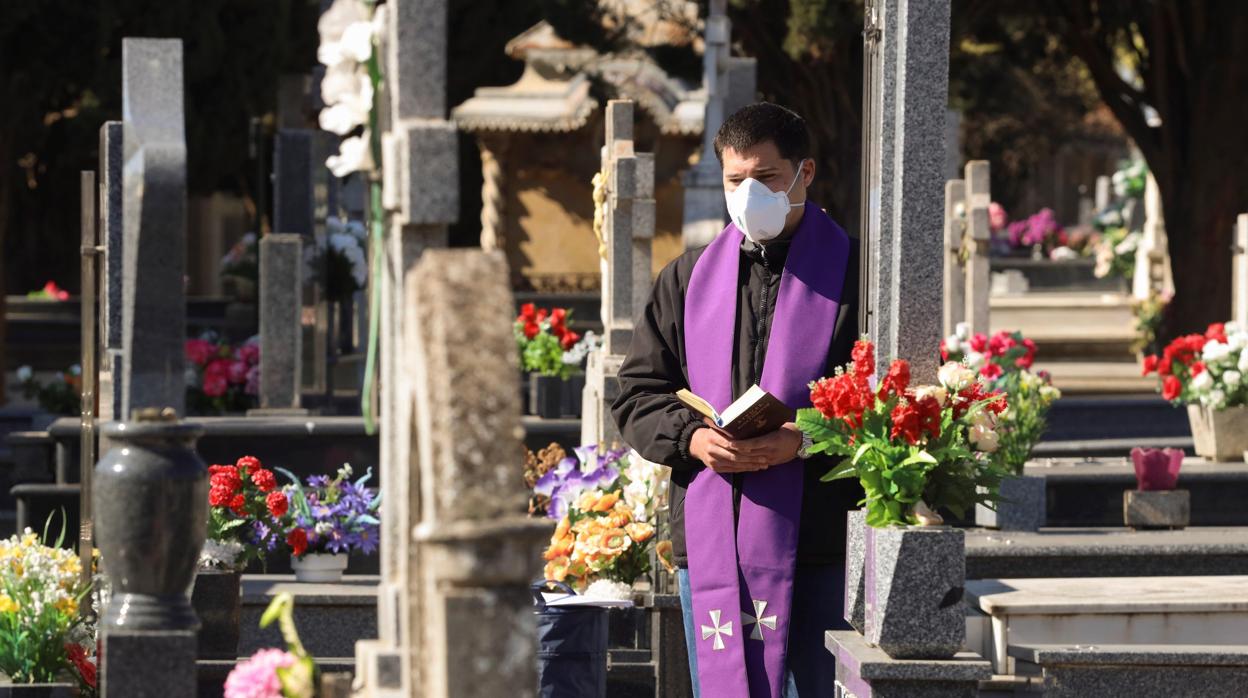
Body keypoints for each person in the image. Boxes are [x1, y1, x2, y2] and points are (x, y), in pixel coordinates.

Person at [611, 102, 862, 698]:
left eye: (767, 178)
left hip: (819, 541)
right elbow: (638, 393)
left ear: (806, 173)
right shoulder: (688, 277)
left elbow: (885, 398)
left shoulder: (857, 276)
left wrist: (803, 439)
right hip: (713, 535)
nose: (749, 193)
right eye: (735, 179)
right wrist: (692, 439)